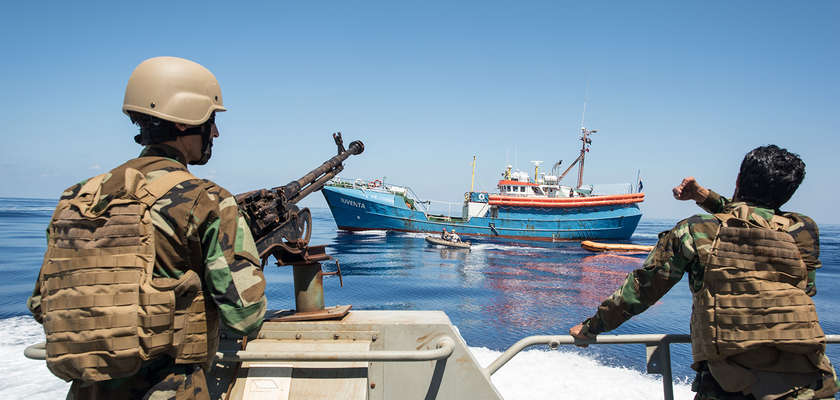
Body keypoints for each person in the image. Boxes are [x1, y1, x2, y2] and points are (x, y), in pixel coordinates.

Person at [27, 56, 267, 399]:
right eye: (210, 120)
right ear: (185, 124)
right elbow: (246, 317)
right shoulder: (207, 201)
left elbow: (42, 304)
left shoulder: (77, 197)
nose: (215, 132)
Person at [569, 145, 839, 400]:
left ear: (738, 180)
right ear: (789, 192)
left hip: (731, 384)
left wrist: (592, 327)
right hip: (809, 379)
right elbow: (757, 221)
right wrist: (704, 197)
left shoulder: (694, 230)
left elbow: (642, 290)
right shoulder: (803, 230)